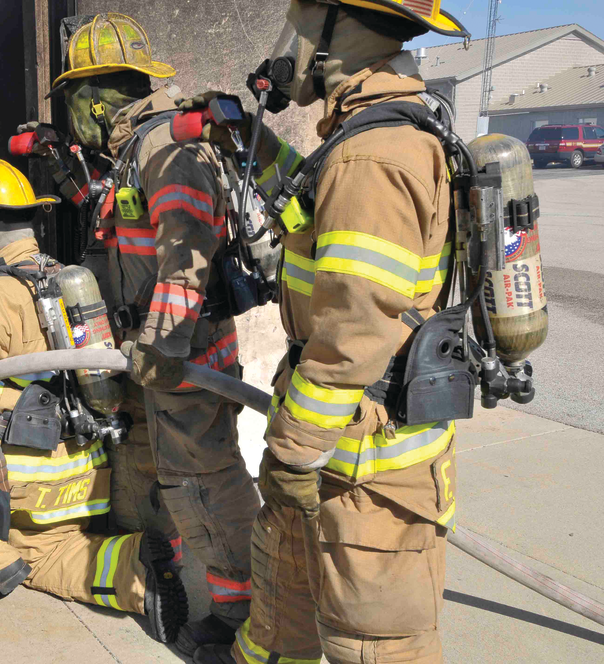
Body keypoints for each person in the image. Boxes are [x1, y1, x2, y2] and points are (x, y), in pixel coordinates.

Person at [185, 1, 470, 662]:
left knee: (370, 640)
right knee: (286, 599)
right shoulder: (364, 137)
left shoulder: (374, 156)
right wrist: (246, 143)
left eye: (299, 26)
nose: (288, 47)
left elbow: (358, 329)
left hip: (365, 465)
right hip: (333, 448)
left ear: (341, 29)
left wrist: (294, 448)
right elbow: (314, 217)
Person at [0, 157, 188, 643]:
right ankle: (137, 572)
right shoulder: (76, 280)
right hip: (88, 474)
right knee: (49, 550)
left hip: (25, 475)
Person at [37, 13, 264, 655]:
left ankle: (242, 613)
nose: (75, 112)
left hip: (186, 355)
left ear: (100, 96)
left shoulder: (165, 145)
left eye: (76, 98)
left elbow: (185, 255)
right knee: (179, 474)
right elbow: (123, 229)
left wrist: (163, 346)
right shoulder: (138, 148)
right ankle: (220, 586)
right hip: (161, 353)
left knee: (205, 478)